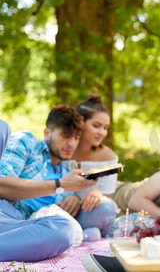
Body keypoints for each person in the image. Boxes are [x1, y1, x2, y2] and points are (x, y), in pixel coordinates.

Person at [0, 105, 97, 262]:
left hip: (18, 224)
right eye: (66, 135)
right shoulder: (27, 142)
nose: (71, 144)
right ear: (47, 133)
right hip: (4, 209)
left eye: (76, 137)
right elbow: (2, 185)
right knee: (1, 128)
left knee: (65, 229)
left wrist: (78, 197)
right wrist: (61, 184)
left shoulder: (67, 170)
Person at [71, 94, 119, 241]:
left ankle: (75, 234)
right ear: (81, 123)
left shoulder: (109, 158)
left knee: (107, 207)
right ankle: (82, 235)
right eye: (96, 126)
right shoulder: (62, 149)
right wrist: (68, 196)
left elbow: (107, 196)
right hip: (58, 209)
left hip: (86, 214)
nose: (102, 133)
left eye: (105, 128)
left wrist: (99, 193)